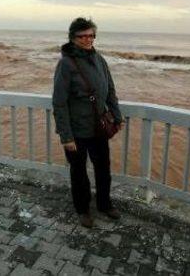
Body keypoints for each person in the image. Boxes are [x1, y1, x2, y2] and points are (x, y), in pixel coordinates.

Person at [52, 17, 124, 228]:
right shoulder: (66, 64)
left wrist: (117, 116)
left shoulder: (100, 60)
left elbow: (110, 91)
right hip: (77, 132)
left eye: (91, 35)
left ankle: (104, 204)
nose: (87, 39)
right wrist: (66, 136)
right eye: (82, 36)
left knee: (104, 169)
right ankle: (82, 209)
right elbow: (59, 102)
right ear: (73, 38)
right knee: (79, 173)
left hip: (99, 129)